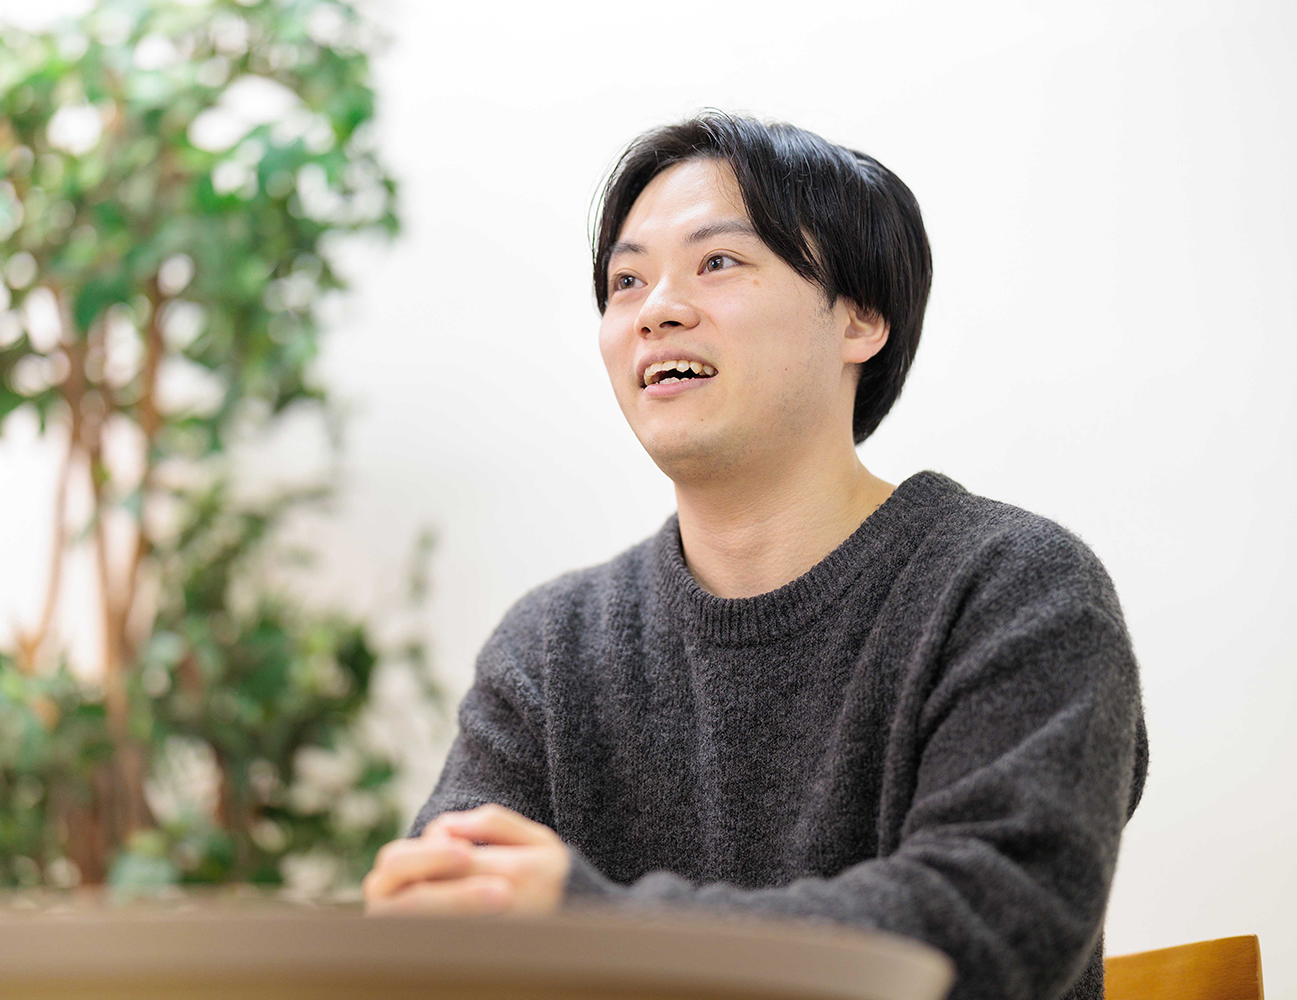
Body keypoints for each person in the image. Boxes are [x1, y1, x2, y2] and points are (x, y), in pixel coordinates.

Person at [361, 112, 1148, 1000]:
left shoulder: (1015, 588)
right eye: (626, 280)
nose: (657, 309)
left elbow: (992, 926)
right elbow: (442, 941)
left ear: (862, 317)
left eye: (718, 262)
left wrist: (599, 930)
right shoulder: (551, 645)